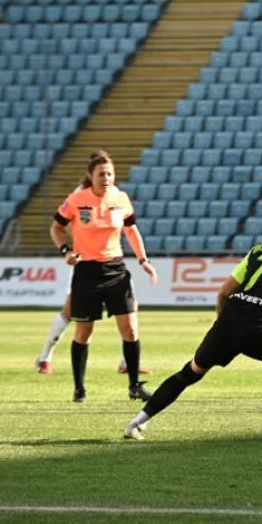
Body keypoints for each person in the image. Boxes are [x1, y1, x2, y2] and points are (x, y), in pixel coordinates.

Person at [123, 201, 262, 442]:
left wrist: (223, 328)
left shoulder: (261, 246)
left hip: (227, 322)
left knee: (189, 372)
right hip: (259, 329)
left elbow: (223, 291)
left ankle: (137, 422)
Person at [50, 150, 158, 402]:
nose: (106, 178)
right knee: (83, 332)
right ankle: (79, 389)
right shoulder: (76, 200)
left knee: (130, 329)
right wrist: (65, 250)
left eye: (110, 173)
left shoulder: (120, 198)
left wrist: (144, 260)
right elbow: (56, 227)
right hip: (86, 271)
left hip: (116, 270)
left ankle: (134, 386)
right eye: (101, 174)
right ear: (91, 176)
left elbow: (131, 230)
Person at [36, 293, 150, 376]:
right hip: (88, 268)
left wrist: (143, 261)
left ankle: (126, 363)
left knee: (129, 309)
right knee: (69, 311)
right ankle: (44, 358)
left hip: (115, 267)